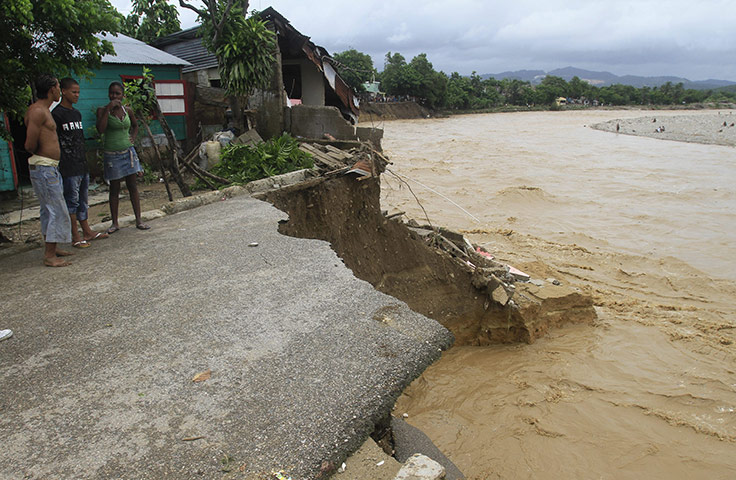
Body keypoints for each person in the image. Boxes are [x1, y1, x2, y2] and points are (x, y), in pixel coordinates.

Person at [52, 77, 109, 248]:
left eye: (78, 92)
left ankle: (87, 231)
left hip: (81, 163)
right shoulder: (56, 115)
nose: (77, 95)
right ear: (63, 91)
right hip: (68, 166)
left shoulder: (76, 113)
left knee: (83, 200)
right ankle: (75, 235)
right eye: (73, 92)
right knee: (71, 201)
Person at [24, 75, 73, 267]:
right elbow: (29, 143)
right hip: (43, 167)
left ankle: (53, 248)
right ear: (52, 89)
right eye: (59, 86)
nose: (60, 90)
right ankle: (49, 255)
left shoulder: (44, 110)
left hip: (49, 167)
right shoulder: (37, 111)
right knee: (56, 209)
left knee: (48, 210)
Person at [96, 81, 150, 233]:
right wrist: (108, 109)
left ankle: (139, 220)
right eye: (112, 93)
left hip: (128, 153)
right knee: (114, 188)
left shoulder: (128, 111)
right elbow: (100, 129)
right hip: (112, 154)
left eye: (117, 93)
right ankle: (115, 223)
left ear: (122, 95)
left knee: (132, 186)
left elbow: (135, 125)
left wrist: (132, 137)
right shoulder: (102, 111)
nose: (114, 96)